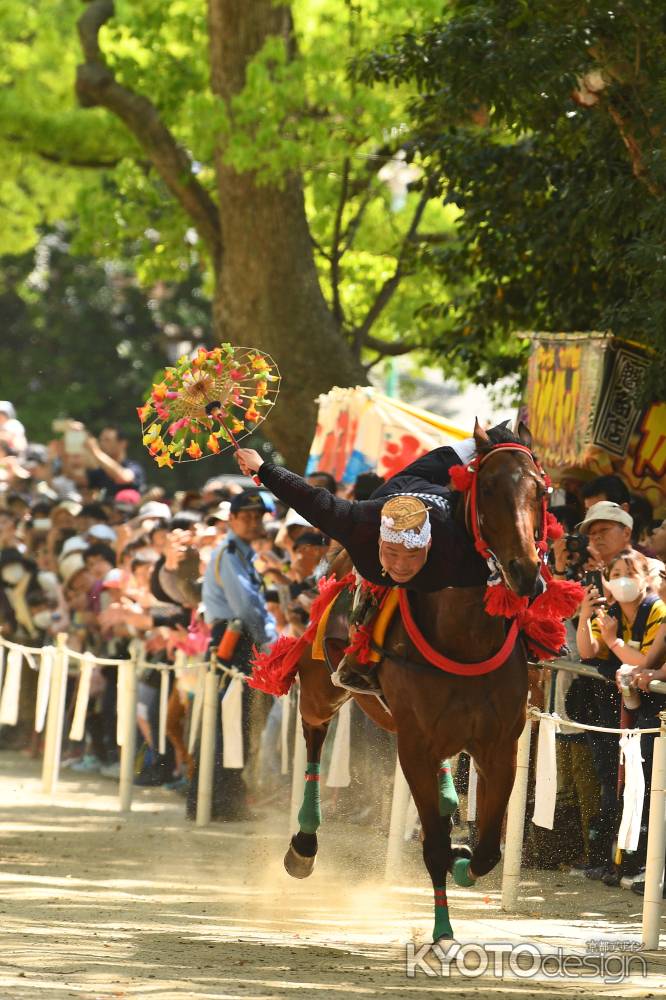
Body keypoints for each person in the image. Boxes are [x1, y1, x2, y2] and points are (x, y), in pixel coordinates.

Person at [236, 431, 490, 692]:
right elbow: (308, 498)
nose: (401, 565)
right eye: (392, 553)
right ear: (379, 543)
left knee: (486, 454)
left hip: (431, 488)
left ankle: (493, 436)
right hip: (396, 488)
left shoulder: (461, 551)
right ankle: (358, 639)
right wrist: (262, 468)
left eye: (412, 554)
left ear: (428, 546)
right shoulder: (359, 525)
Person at [193, 488, 278, 821]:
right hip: (231, 641)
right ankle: (220, 802)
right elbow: (247, 607)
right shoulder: (230, 553)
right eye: (246, 517)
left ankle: (224, 799)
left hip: (239, 639)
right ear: (232, 519)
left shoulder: (242, 553)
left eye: (258, 517)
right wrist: (271, 644)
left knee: (235, 722)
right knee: (227, 722)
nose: (253, 522)